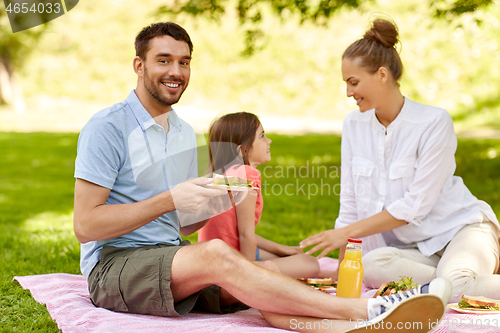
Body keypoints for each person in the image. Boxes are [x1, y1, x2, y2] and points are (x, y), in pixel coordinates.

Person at [73, 21, 452, 332]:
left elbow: (184, 227)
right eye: (164, 61)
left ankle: (340, 325)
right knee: (221, 257)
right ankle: (364, 310)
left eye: (184, 62)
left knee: (259, 284)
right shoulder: (107, 127)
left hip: (169, 259)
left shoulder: (183, 132)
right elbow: (86, 225)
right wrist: (171, 198)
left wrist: (214, 201)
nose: (176, 72)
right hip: (114, 266)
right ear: (139, 66)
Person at [300, 18, 500, 303]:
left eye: (353, 82)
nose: (348, 93)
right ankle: (455, 281)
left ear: (382, 75)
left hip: (462, 231)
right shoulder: (354, 125)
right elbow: (351, 204)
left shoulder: (433, 122)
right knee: (368, 264)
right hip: (417, 250)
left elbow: (414, 206)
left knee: (454, 284)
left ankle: (457, 279)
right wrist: (344, 274)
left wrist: (342, 233)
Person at [198, 112, 320, 278]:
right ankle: (253, 275)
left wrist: (281, 249)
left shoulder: (223, 176)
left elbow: (237, 231)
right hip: (229, 266)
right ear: (242, 150)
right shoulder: (247, 174)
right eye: (262, 136)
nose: (269, 141)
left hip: (212, 261)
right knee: (310, 263)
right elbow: (245, 234)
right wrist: (249, 275)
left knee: (288, 257)